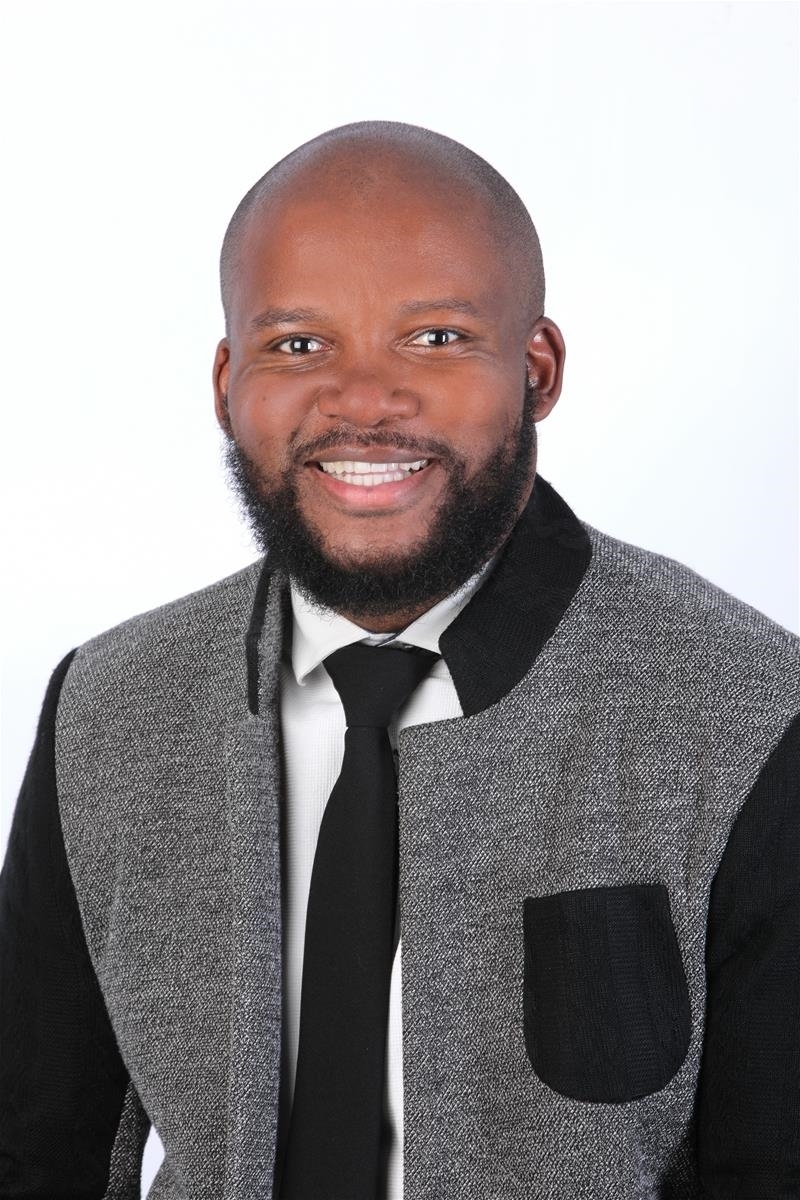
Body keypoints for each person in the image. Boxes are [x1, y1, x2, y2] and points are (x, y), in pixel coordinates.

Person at [1, 120, 798, 1200]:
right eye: (298, 345)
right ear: (227, 382)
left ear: (536, 369)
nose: (365, 400)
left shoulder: (750, 714)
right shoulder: (107, 709)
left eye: (433, 337)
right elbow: (36, 1153)